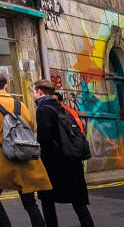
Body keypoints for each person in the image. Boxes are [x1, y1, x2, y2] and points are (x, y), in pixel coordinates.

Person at [0, 73, 48, 227]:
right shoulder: (19, 104)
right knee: (29, 202)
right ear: (6, 85)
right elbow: (30, 126)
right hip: (22, 158)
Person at [34, 80, 94, 227]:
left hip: (54, 164)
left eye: (34, 92)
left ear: (40, 92)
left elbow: (44, 140)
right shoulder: (64, 110)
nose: (34, 95)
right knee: (78, 202)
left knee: (48, 202)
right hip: (72, 161)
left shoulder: (43, 110)